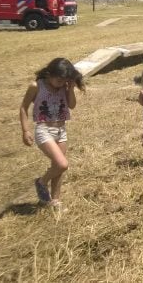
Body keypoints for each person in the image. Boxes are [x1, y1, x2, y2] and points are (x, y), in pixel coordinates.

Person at [19, 58, 85, 208]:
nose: (61, 83)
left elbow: (72, 106)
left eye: (65, 81)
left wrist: (71, 88)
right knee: (62, 164)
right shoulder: (36, 86)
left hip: (61, 130)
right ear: (50, 73)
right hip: (44, 130)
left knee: (58, 168)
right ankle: (41, 182)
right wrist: (25, 130)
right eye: (59, 80)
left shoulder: (64, 87)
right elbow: (23, 107)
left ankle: (55, 201)